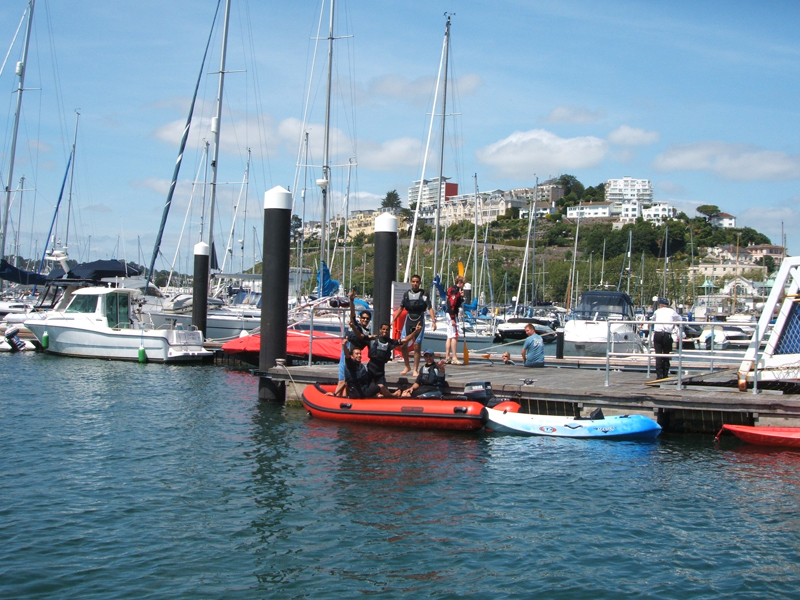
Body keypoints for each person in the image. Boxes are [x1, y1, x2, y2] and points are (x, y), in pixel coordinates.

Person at [351, 320, 422, 392]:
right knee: (364, 388)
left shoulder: (390, 342)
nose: (385, 331)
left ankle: (392, 395)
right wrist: (353, 327)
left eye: (387, 330)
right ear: (380, 330)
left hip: (380, 372)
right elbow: (360, 336)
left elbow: (405, 340)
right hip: (370, 370)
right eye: (383, 329)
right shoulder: (373, 339)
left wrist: (415, 331)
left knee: (383, 389)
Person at [391, 274, 436, 376]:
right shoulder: (406, 294)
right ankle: (407, 366)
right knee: (403, 344)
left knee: (417, 346)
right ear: (411, 282)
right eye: (413, 282)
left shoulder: (424, 294)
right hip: (409, 319)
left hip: (419, 320)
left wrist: (433, 321)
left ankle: (415, 369)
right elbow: (401, 308)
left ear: (420, 283)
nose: (415, 284)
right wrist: (394, 319)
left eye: (417, 282)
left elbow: (429, 308)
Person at [334, 289, 372, 392]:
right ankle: (341, 397)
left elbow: (366, 344)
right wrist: (351, 301)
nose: (365, 320)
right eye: (363, 318)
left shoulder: (367, 334)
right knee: (343, 380)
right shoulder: (356, 324)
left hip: (352, 357)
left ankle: (337, 396)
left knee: (343, 380)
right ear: (360, 318)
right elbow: (352, 314)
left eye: (367, 319)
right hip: (346, 352)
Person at [328, 342, 395, 398]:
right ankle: (393, 396)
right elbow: (347, 356)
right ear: (352, 356)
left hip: (360, 391)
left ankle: (378, 395)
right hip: (360, 393)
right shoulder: (351, 365)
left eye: (360, 354)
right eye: (357, 354)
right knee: (381, 386)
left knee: (374, 386)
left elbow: (346, 383)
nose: (359, 355)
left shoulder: (360, 366)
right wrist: (344, 346)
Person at [652, 297, 681, 379]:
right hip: (667, 334)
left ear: (660, 305)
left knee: (658, 355)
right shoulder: (672, 311)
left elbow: (652, 319)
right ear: (667, 305)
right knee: (666, 354)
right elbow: (680, 319)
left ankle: (659, 375)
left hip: (657, 334)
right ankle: (665, 374)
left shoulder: (657, 311)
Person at [444, 276, 465, 364]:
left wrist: (460, 297)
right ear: (459, 282)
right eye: (463, 283)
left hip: (448, 314)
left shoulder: (453, 290)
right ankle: (454, 357)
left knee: (449, 335)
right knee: (454, 335)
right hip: (452, 314)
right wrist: (453, 318)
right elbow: (452, 305)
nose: (463, 285)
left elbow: (456, 302)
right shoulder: (454, 291)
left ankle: (447, 356)